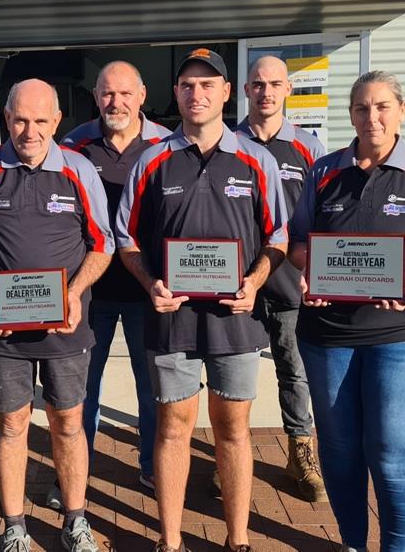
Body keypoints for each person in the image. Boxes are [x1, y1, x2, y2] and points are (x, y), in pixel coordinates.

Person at [289, 70, 405, 552]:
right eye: (361, 108)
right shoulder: (323, 171)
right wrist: (313, 269)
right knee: (341, 452)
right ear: (349, 114)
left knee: (393, 456)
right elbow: (298, 243)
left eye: (382, 106)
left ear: (401, 110)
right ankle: (353, 543)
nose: (371, 117)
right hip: (328, 335)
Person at [116, 48, 289, 552]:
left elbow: (278, 235)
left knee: (233, 428)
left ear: (226, 92)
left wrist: (256, 281)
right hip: (173, 316)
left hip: (235, 318)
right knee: (173, 425)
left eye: (208, 84)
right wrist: (151, 284)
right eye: (188, 85)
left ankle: (238, 539)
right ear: (176, 94)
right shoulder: (153, 159)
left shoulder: (256, 160)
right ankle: (170, 541)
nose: (197, 94)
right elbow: (125, 239)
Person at [0, 79, 113, 552]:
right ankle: (15, 525)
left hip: (65, 323)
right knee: (11, 424)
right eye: (20, 119)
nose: (30, 130)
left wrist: (76, 292)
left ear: (56, 121)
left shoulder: (79, 171)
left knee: (68, 421)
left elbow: (101, 245)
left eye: (41, 121)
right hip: (3, 326)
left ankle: (75, 519)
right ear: (6, 117)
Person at [59, 61, 171, 499]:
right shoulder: (74, 144)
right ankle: (76, 473)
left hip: (148, 288)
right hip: (90, 292)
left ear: (142, 95)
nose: (116, 102)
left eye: (125, 93)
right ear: (96, 96)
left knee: (151, 383)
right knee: (83, 385)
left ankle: (151, 467)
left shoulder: (166, 144)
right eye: (107, 93)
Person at [234, 55, 327, 501]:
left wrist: (319, 272)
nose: (265, 92)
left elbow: (326, 219)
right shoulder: (227, 142)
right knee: (235, 379)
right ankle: (232, 456)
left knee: (294, 373)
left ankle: (300, 453)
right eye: (257, 84)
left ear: (288, 89)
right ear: (245, 90)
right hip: (238, 287)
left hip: (291, 285)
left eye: (274, 84)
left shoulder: (310, 149)